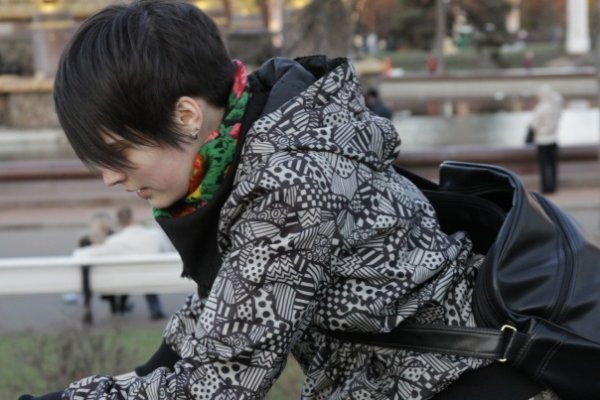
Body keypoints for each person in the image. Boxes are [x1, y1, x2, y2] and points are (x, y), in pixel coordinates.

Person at [21, 1, 548, 399]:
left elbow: (222, 382)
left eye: (119, 153)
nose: (110, 178)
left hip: (465, 378)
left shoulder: (291, 177)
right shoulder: (253, 149)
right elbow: (215, 318)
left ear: (186, 116)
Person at [72, 206, 167, 321]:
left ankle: (117, 309)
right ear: (133, 218)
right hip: (151, 277)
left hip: (125, 279)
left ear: (119, 222)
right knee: (146, 272)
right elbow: (165, 249)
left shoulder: (115, 241)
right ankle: (155, 310)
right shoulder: (154, 235)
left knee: (132, 272)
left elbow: (82, 255)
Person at [529, 84, 563, 194]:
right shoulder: (555, 107)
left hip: (542, 140)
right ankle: (553, 186)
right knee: (553, 165)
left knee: (543, 166)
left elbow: (534, 124)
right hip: (553, 139)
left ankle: (545, 187)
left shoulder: (541, 108)